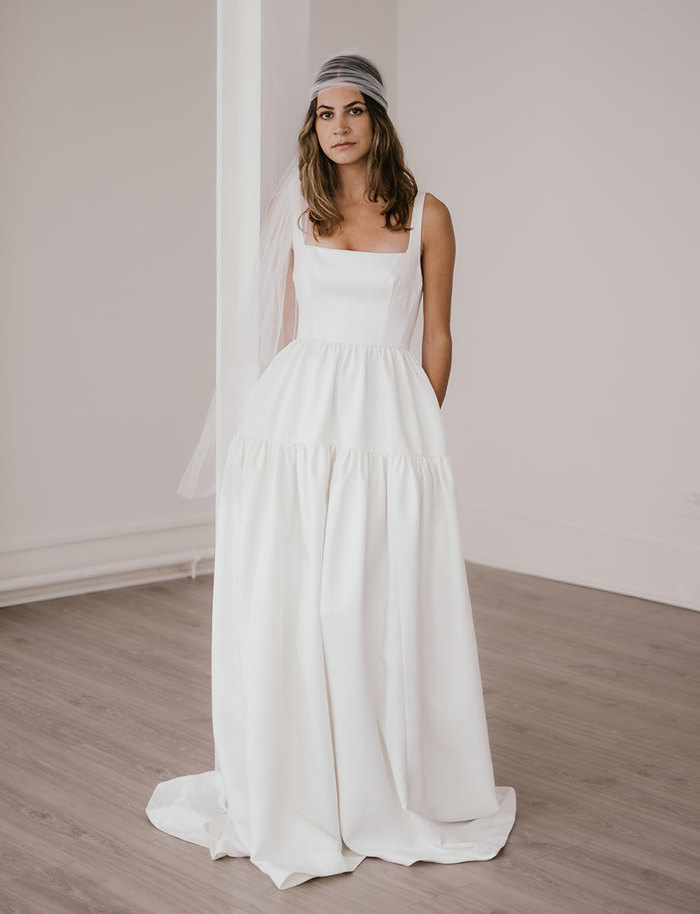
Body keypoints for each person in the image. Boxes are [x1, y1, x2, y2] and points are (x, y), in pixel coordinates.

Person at [145, 51, 516, 891]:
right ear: (311, 127)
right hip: (294, 426)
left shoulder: (428, 214)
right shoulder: (298, 211)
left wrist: (421, 427)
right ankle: (299, 774)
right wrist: (250, 433)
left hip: (384, 427)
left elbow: (440, 335)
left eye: (353, 111)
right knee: (294, 601)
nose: (338, 127)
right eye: (324, 114)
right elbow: (274, 337)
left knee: (364, 601)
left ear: (378, 119)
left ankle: (378, 776)